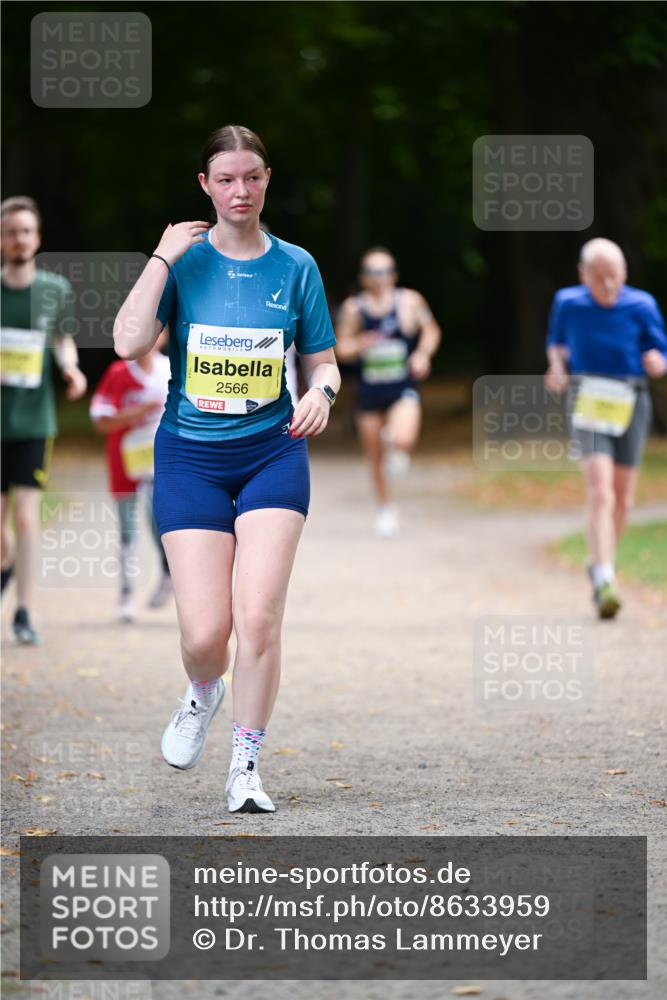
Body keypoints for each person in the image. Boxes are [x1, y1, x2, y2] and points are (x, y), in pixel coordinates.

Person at [113, 125, 339, 813]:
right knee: (205, 635)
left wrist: (321, 392)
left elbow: (323, 359)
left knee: (259, 619)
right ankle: (202, 692)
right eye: (226, 179)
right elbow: (126, 344)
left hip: (272, 454)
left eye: (252, 176)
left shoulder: (296, 266)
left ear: (266, 179)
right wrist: (160, 256)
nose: (241, 190)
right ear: (206, 187)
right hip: (191, 458)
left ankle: (245, 764)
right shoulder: (182, 264)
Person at [545, 237, 667, 618]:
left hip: (631, 398)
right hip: (589, 396)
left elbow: (660, 351)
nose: (609, 285)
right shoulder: (568, 302)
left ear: (625, 273)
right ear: (583, 275)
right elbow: (556, 342)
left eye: (615, 276)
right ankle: (604, 578)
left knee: (623, 496)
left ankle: (600, 559)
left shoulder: (642, 305)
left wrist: (657, 362)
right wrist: (557, 367)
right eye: (599, 278)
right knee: (599, 490)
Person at [1, 196, 87, 644]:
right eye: (11, 231)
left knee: (26, 516)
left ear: (38, 239)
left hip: (35, 422)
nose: (19, 239)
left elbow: (62, 339)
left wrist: (70, 369)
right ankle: (6, 563)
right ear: (1, 239)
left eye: (26, 231)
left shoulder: (54, 290)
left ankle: (24, 611)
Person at [335, 247, 441, 537]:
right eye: (371, 272)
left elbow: (431, 330)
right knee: (375, 457)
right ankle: (385, 509)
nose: (378, 278)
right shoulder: (354, 308)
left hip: (402, 386)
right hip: (369, 390)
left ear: (393, 274)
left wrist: (422, 355)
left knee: (403, 438)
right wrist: (359, 344)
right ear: (363, 277)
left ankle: (394, 441)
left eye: (383, 271)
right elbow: (340, 349)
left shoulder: (409, 301)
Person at [89, 333, 172, 621]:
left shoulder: (171, 370)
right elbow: (101, 420)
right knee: (127, 527)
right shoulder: (119, 372)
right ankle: (126, 594)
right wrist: (136, 413)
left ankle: (167, 572)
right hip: (124, 458)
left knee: (157, 517)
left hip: (159, 458)